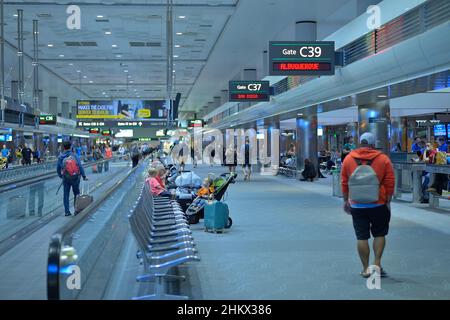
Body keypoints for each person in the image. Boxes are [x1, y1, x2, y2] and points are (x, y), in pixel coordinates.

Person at [341, 132, 394, 278]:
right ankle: (376, 264)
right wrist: (388, 200)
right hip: (379, 203)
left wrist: (346, 200)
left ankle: (365, 269)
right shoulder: (383, 159)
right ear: (373, 144)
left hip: (357, 204)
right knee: (380, 233)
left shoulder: (349, 158)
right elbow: (390, 181)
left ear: (360, 143)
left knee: (361, 237)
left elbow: (344, 182)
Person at [57, 141, 87, 216]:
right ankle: (76, 210)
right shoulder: (74, 155)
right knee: (76, 193)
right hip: (75, 177)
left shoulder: (61, 157)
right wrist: (84, 176)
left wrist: (61, 176)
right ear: (70, 147)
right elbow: (80, 166)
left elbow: (58, 168)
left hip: (66, 178)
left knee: (66, 194)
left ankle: (67, 211)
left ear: (63, 147)